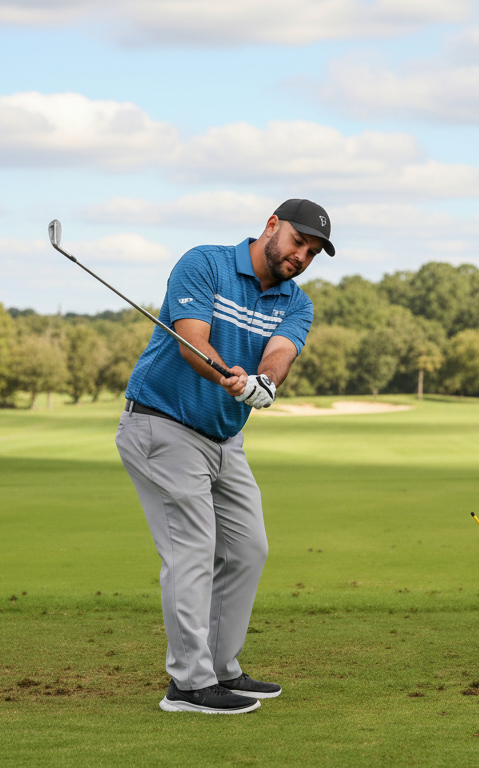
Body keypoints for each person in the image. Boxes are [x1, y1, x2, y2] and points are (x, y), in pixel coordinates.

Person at [115, 199, 333, 714]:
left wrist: (264, 382)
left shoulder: (296, 302)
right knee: (192, 549)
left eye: (312, 252)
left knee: (247, 548)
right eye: (298, 242)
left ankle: (219, 667)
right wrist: (227, 375)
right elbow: (192, 343)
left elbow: (280, 352)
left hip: (223, 439)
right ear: (272, 226)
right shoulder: (205, 263)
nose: (302, 256)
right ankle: (189, 685)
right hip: (162, 423)